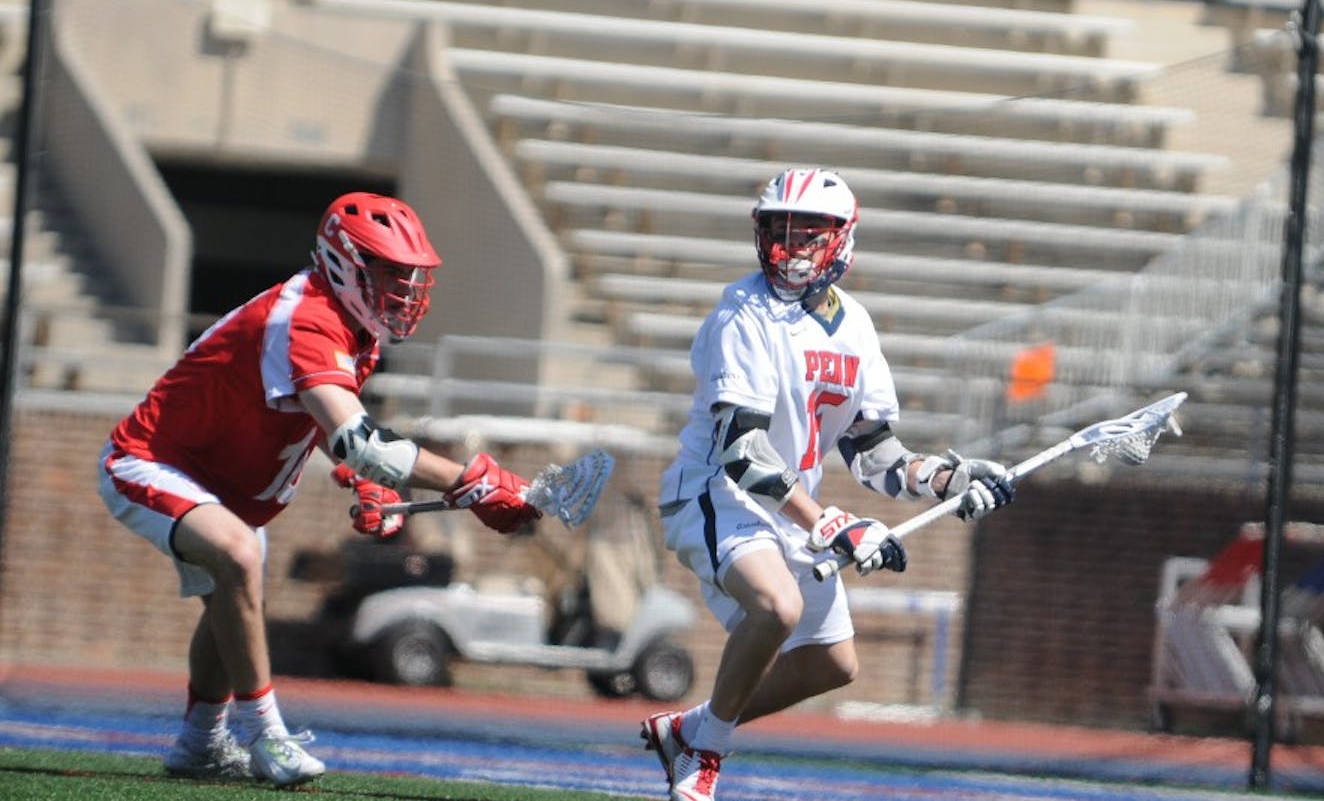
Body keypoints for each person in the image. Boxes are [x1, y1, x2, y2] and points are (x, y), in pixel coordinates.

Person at [96, 192, 541, 787]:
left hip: (224, 485)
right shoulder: (306, 315)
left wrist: (363, 481)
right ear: (345, 262)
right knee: (237, 555)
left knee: (229, 590)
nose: (406, 289)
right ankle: (267, 735)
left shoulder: (357, 331)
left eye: (411, 276)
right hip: (150, 460)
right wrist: (472, 480)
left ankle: (200, 745)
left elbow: (331, 427)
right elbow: (362, 440)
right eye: (390, 272)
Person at [639, 169, 1017, 801]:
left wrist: (949, 479)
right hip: (715, 493)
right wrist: (828, 523)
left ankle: (693, 729)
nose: (790, 250)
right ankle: (704, 756)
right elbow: (743, 454)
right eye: (778, 233)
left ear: (840, 241)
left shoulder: (856, 327)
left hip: (783, 508)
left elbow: (876, 453)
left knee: (832, 663)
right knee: (778, 607)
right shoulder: (743, 314)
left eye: (808, 235)